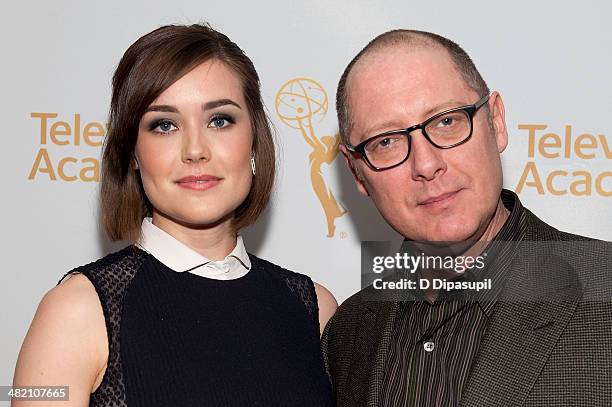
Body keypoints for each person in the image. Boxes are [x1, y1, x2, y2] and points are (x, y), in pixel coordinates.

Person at [13, 24, 337, 407]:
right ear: (133, 153)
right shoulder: (75, 310)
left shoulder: (313, 308)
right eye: (164, 125)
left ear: (254, 141)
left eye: (219, 120)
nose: (195, 150)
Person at [322, 29, 612, 406]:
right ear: (358, 171)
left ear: (497, 122)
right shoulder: (347, 333)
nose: (426, 165)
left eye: (446, 122)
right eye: (387, 141)